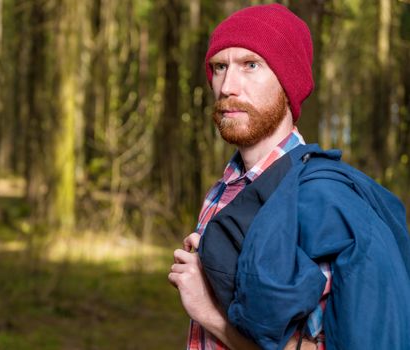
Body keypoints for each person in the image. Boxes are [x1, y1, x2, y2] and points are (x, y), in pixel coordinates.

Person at [168, 3, 410, 350]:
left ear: (288, 83)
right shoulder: (224, 189)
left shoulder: (321, 200)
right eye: (220, 67)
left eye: (251, 65)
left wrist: (208, 312)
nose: (227, 86)